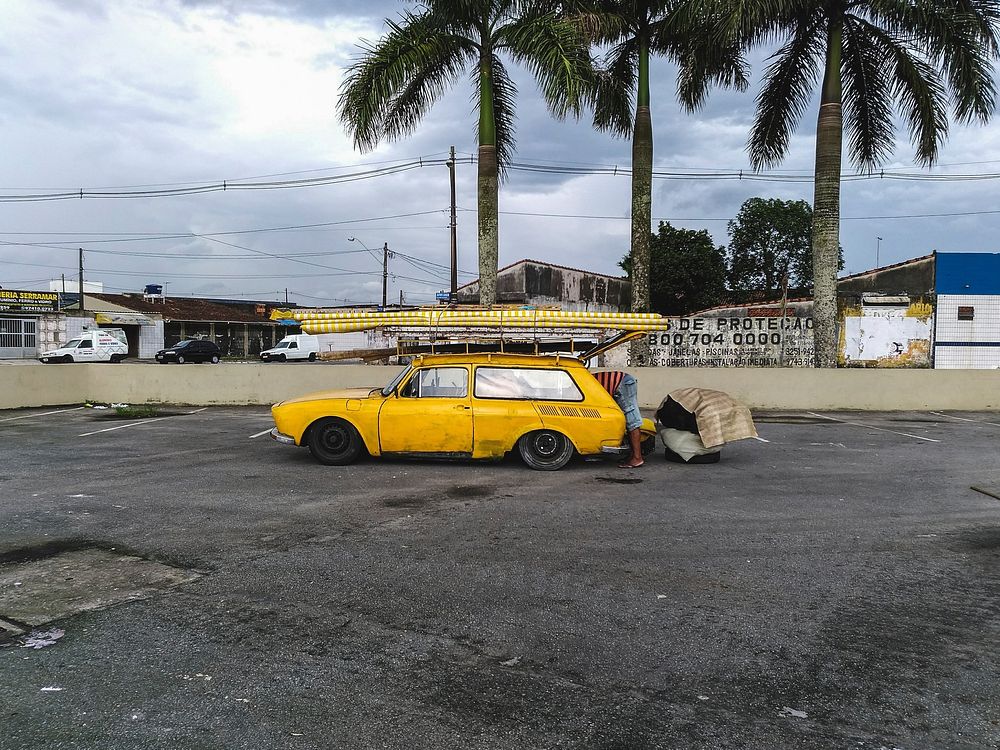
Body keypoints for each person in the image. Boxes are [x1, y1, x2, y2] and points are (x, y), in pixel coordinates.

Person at [594, 370, 643, 468]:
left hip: (621, 382)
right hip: (622, 381)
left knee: (632, 421)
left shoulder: (581, 382)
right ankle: (632, 455)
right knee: (626, 421)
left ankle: (637, 458)